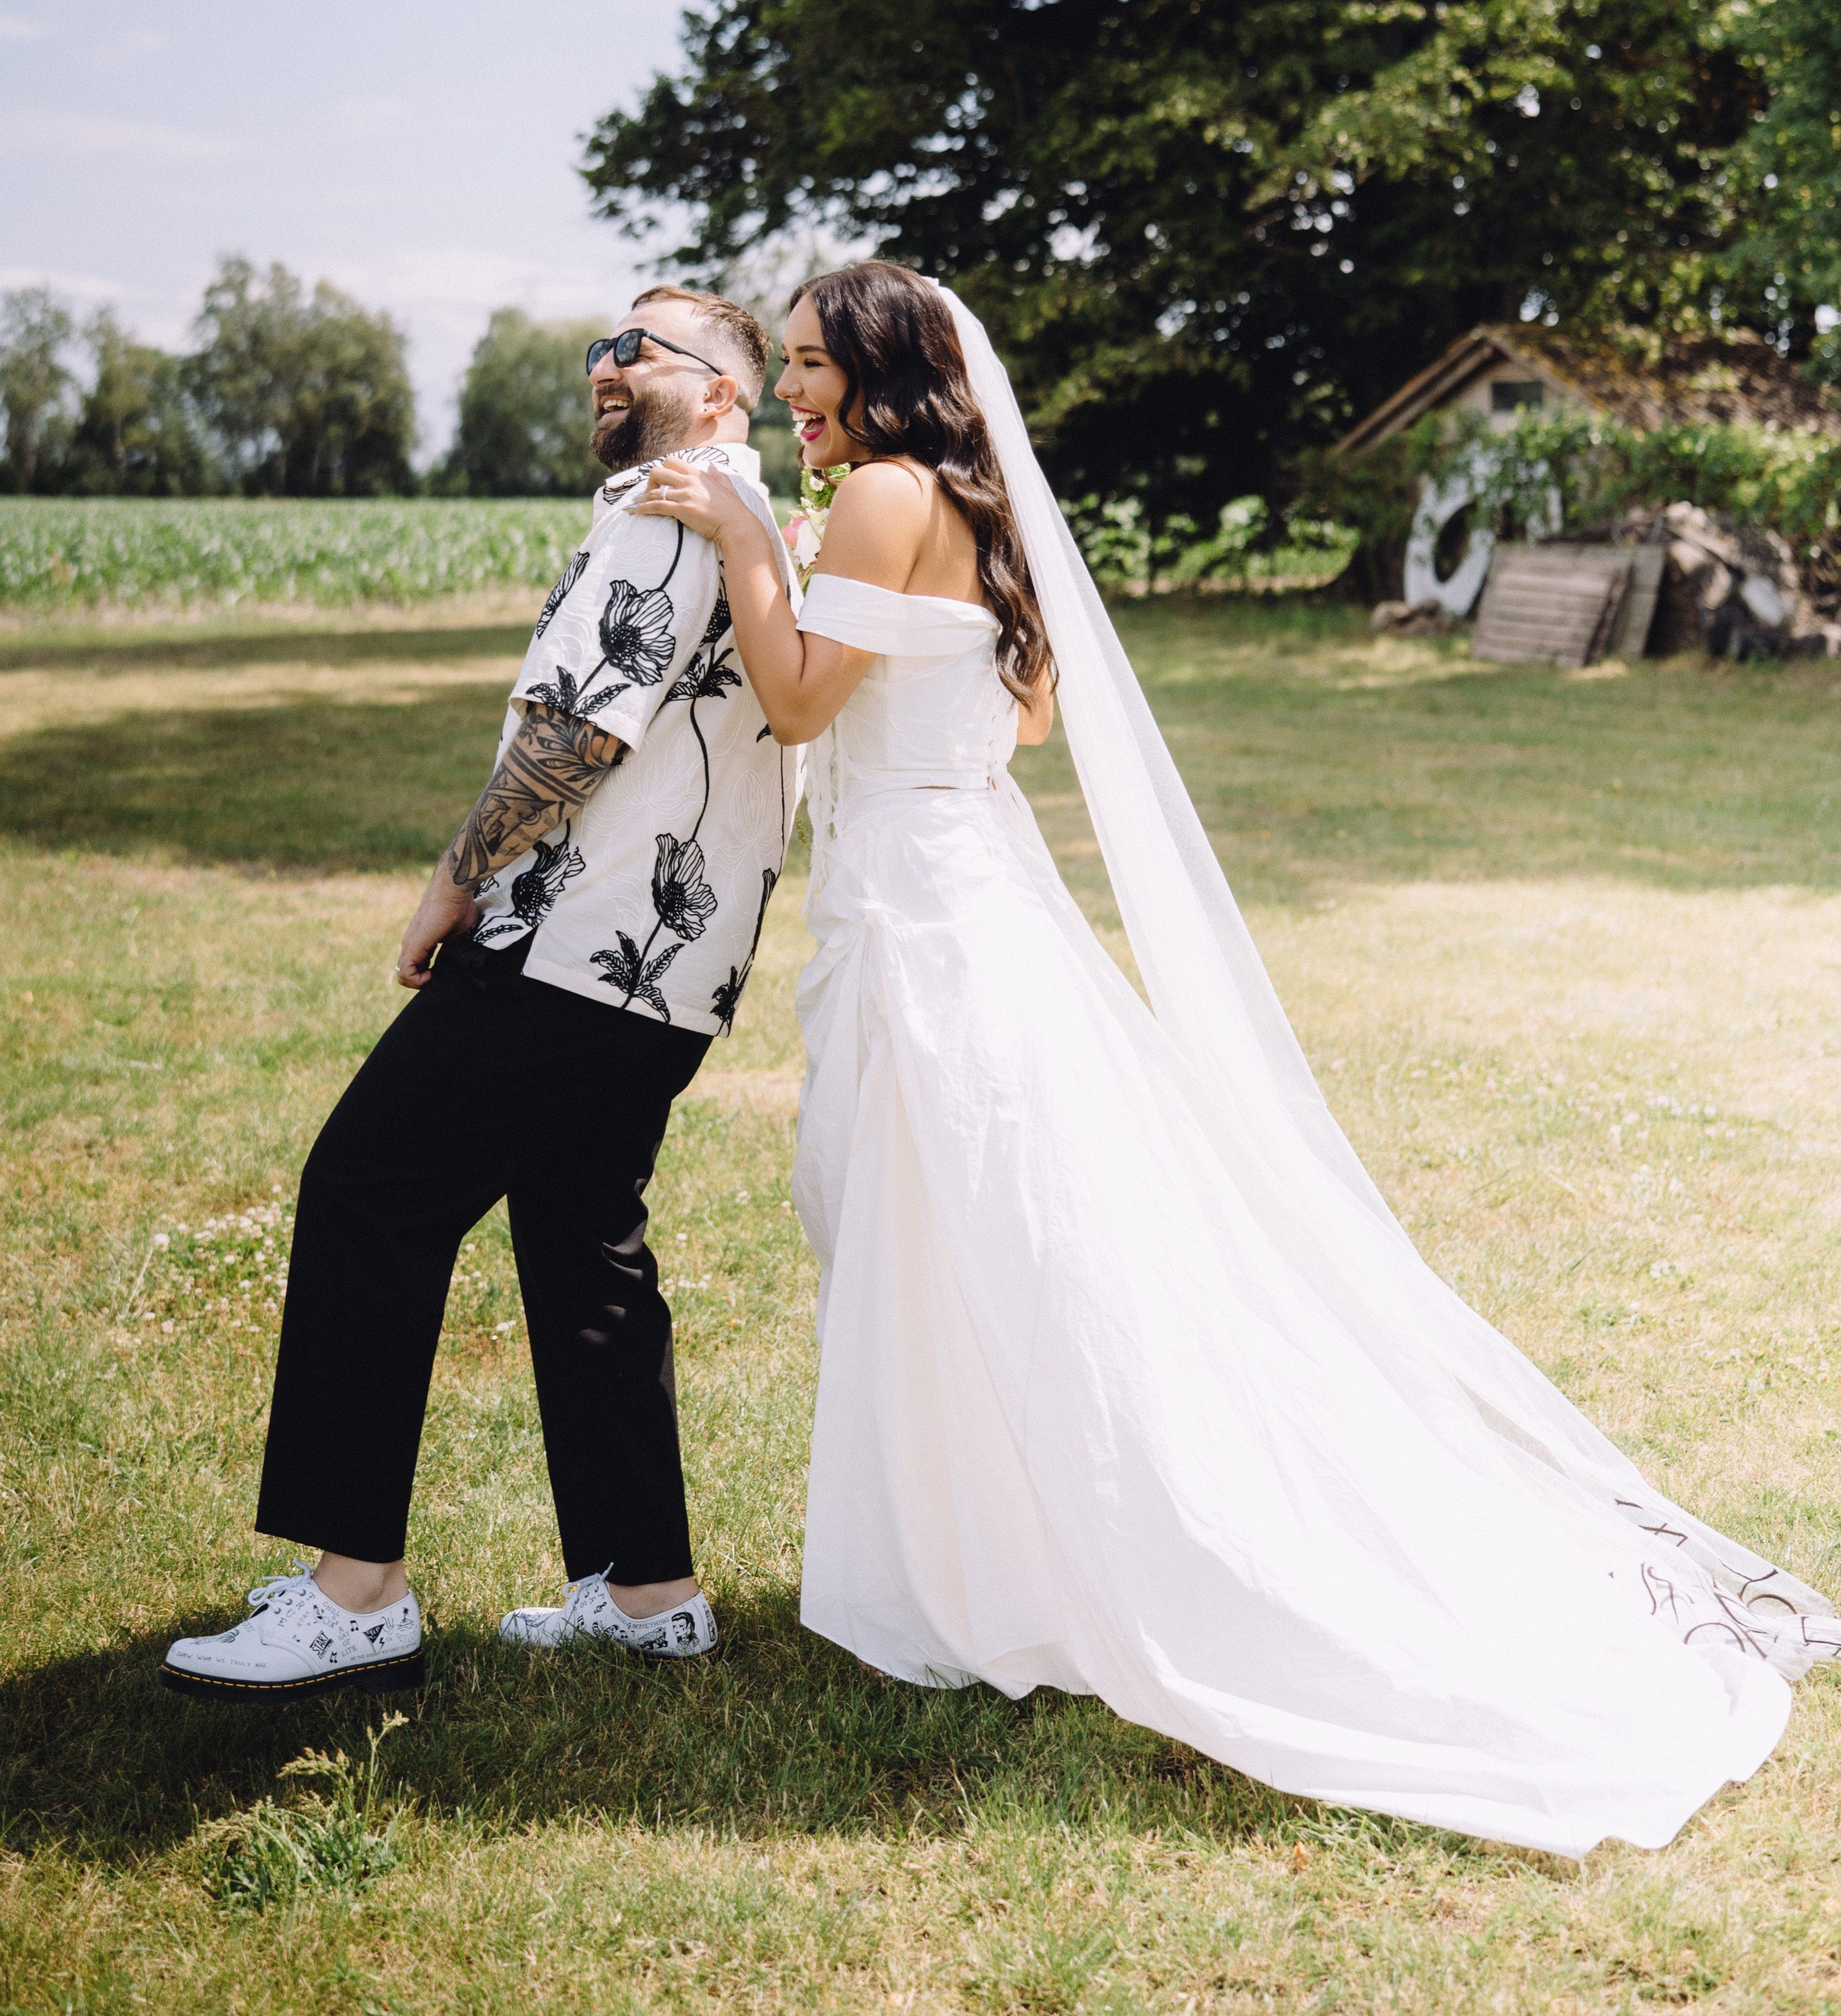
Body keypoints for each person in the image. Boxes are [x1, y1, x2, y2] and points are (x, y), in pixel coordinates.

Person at [631, 259, 1841, 1857]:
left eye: (802, 367)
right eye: (780, 367)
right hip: (975, 885)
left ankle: (1053, 1557)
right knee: (966, 1230)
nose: (785, 393)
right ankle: (996, 1546)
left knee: (945, 1229)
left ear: (876, 374)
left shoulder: (877, 496)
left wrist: (736, 544)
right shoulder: (982, 507)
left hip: (927, 919)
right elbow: (1027, 713)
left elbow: (791, 707)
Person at [162, 287, 799, 1701]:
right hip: (677, 973)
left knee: (367, 1193)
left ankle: (357, 1596)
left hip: (576, 947)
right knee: (583, 1253)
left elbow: (577, 731)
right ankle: (650, 1597)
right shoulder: (751, 522)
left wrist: (456, 875)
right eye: (605, 344)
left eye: (646, 348)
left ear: (725, 396)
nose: (608, 365)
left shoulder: (673, 505)